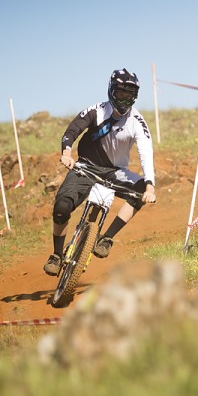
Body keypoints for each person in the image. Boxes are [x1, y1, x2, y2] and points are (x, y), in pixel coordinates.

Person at [43, 68, 157, 276]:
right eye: (121, 93)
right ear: (111, 91)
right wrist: (67, 153)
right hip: (86, 166)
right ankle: (57, 255)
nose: (125, 98)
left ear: (135, 97)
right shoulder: (97, 110)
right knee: (62, 207)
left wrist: (150, 185)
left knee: (140, 191)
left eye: (130, 94)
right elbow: (72, 131)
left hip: (115, 172)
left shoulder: (138, 121)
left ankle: (106, 238)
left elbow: (146, 152)